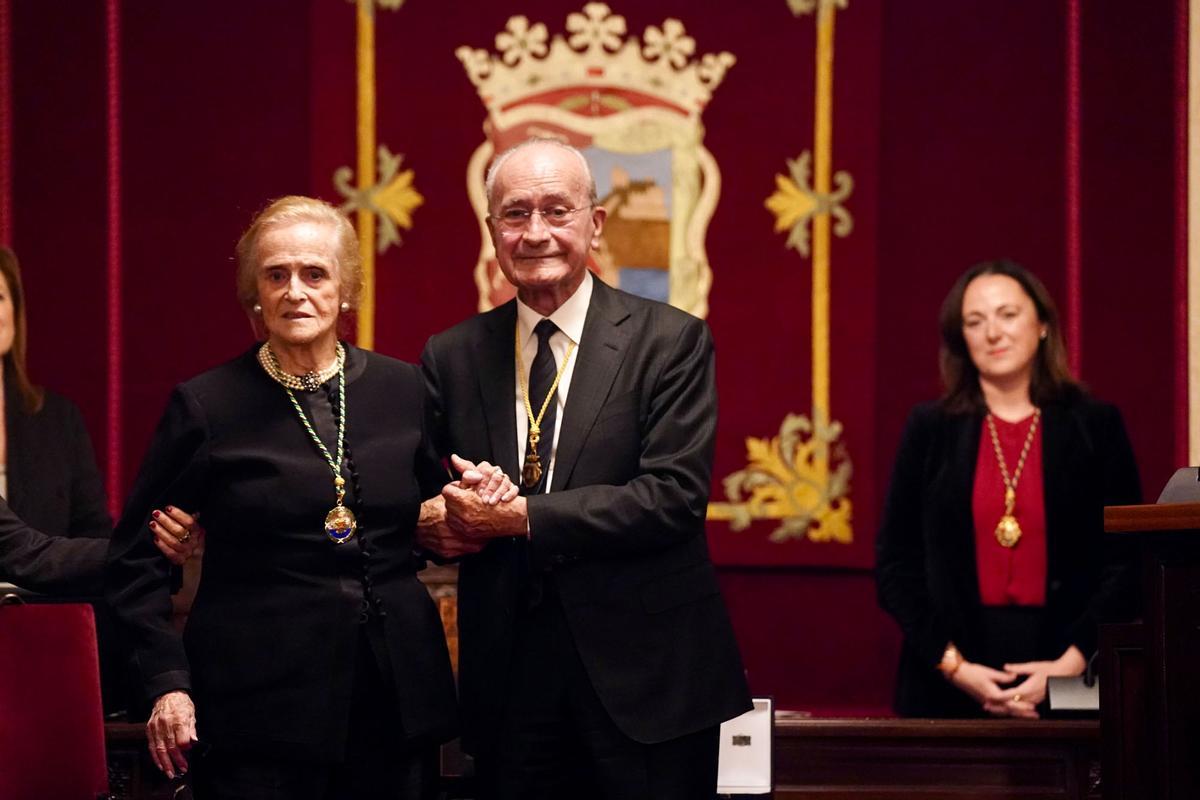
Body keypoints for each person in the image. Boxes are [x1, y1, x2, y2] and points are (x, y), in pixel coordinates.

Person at [106, 196, 514, 799]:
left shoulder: (404, 389)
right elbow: (135, 560)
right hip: (257, 705)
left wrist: (479, 499)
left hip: (395, 700)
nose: (295, 291)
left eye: (314, 274)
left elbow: (442, 512)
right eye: (276, 275)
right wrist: (167, 683)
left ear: (345, 291)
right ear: (255, 294)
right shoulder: (207, 405)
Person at [418, 138, 750, 799]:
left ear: (595, 222)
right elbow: (427, 500)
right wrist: (434, 522)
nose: (534, 232)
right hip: (508, 685)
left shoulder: (670, 341)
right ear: (492, 232)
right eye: (515, 214)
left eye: (555, 210)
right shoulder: (451, 355)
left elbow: (672, 498)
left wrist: (515, 517)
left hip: (645, 680)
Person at [875, 259, 1142, 718]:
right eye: (974, 322)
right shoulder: (929, 428)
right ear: (961, 338)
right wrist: (956, 667)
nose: (992, 333)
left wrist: (1071, 664)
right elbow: (895, 566)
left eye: (1007, 314)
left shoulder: (1096, 425)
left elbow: (1126, 562)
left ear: (1041, 325)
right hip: (947, 684)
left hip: (1073, 678)